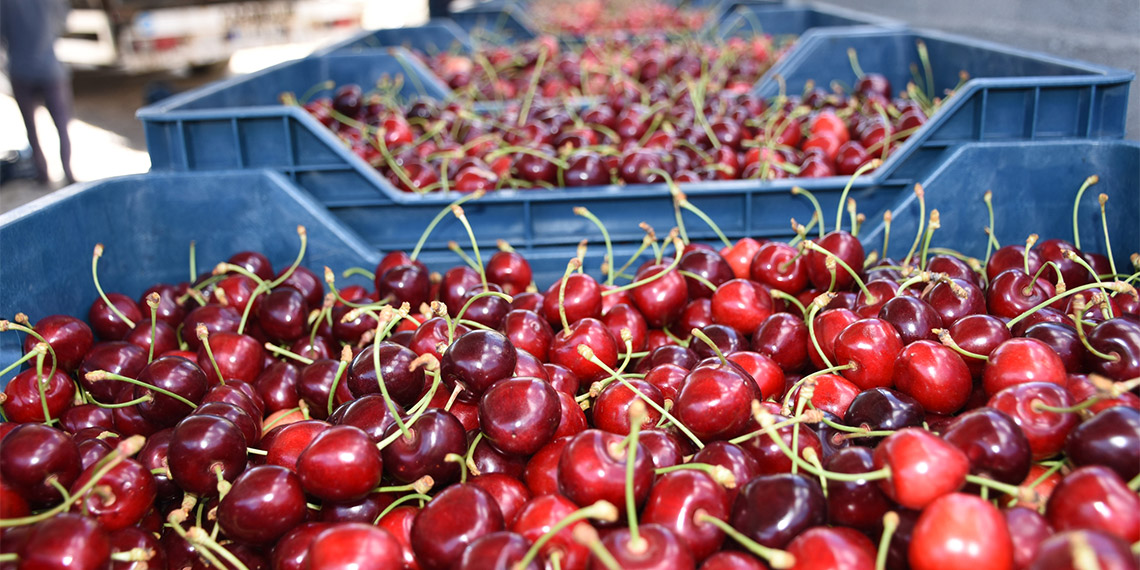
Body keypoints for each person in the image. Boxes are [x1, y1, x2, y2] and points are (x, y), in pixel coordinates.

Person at [0, 0, 75, 185]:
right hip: (50, 69)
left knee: (31, 128)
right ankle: (68, 173)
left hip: (20, 70)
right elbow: (64, 21)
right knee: (62, 126)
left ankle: (42, 175)